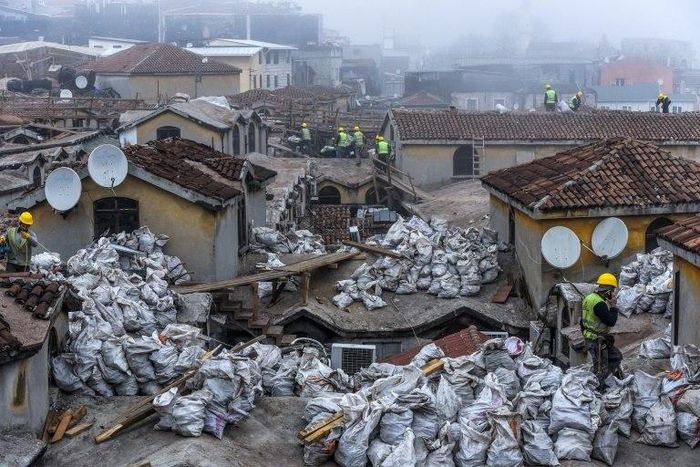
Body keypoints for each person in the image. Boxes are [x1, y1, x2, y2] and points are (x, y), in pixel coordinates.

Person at [581, 273, 623, 388]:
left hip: (593, 338)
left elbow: (582, 321)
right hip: (597, 341)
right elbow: (611, 321)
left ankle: (613, 380)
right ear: (608, 291)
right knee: (600, 369)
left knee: (616, 356)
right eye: (613, 290)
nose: (614, 293)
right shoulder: (599, 303)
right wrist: (613, 306)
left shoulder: (588, 298)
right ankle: (598, 391)